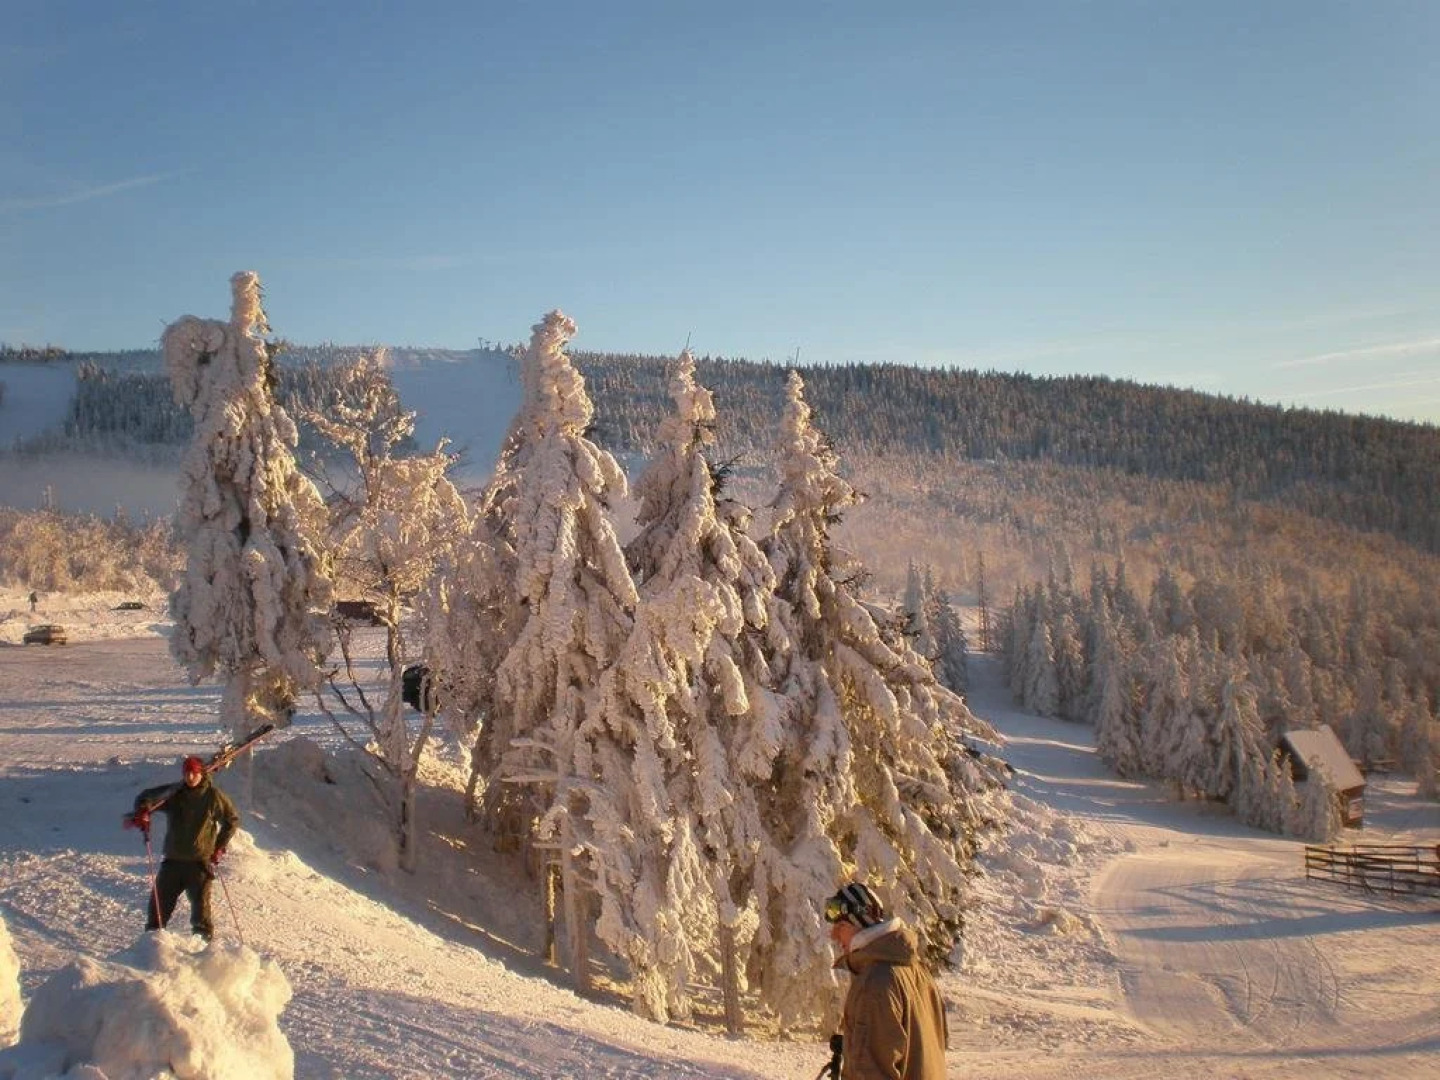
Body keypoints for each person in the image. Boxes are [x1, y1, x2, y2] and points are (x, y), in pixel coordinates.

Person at [823, 881, 948, 1080]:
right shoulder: (917, 971)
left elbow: (871, 1072)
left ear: (860, 925)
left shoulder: (875, 983)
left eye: (842, 926)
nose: (834, 935)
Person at [132, 755, 239, 941]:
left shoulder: (213, 796)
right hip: (173, 861)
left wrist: (219, 847)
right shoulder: (175, 793)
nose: (190, 777)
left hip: (199, 863)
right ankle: (151, 948)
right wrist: (143, 811)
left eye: (194, 773)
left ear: (201, 774)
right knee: (158, 908)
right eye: (187, 773)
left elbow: (232, 820)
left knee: (201, 913)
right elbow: (146, 797)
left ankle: (204, 950)